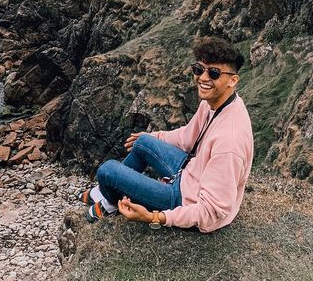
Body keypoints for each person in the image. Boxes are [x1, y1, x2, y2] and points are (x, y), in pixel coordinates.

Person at [81, 36, 253, 232]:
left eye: (213, 73)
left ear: (233, 80)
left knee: (107, 170)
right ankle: (109, 198)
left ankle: (108, 202)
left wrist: (154, 216)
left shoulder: (230, 141)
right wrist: (154, 137)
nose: (203, 78)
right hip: (189, 173)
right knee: (143, 142)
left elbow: (211, 212)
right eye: (199, 70)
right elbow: (187, 138)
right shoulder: (214, 103)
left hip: (184, 200)